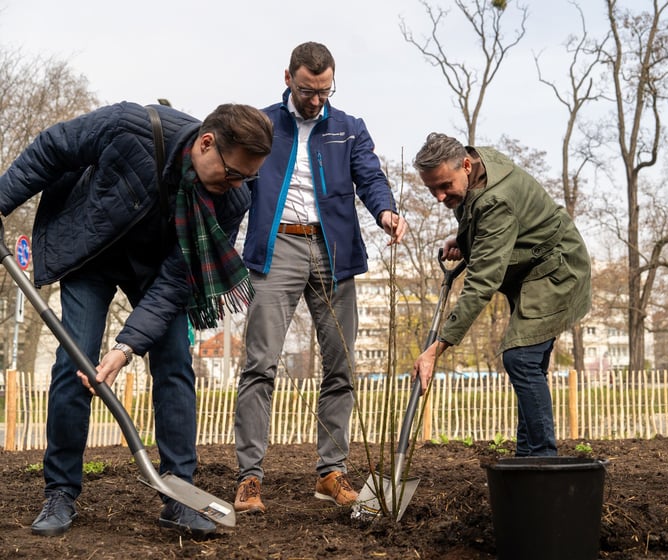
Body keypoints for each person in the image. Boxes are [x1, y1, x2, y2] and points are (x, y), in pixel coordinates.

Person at [0, 101, 274, 536]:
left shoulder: (232, 198)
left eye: (249, 176)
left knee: (175, 365)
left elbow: (177, 280)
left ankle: (178, 494)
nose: (239, 184)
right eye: (234, 172)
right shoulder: (133, 128)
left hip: (158, 270)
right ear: (206, 143)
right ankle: (61, 491)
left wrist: (125, 348)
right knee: (77, 364)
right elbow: (54, 148)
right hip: (94, 250)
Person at [232, 41, 407, 514]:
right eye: (308, 91)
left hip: (334, 251)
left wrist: (386, 212)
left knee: (342, 366)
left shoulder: (349, 129)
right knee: (260, 364)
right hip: (277, 247)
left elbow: (369, 177)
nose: (316, 101)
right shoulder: (262, 124)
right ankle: (249, 478)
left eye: (325, 91)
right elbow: (235, 182)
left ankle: (331, 472)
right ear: (287, 78)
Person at [411, 132, 591, 457]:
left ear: (465, 165)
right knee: (528, 363)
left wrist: (436, 350)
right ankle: (530, 456)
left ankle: (540, 460)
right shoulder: (478, 168)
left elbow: (482, 281)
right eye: (431, 189)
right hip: (532, 271)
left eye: (444, 186)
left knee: (520, 358)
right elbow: (491, 226)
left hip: (555, 272)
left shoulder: (496, 198)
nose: (439, 196)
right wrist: (464, 241)